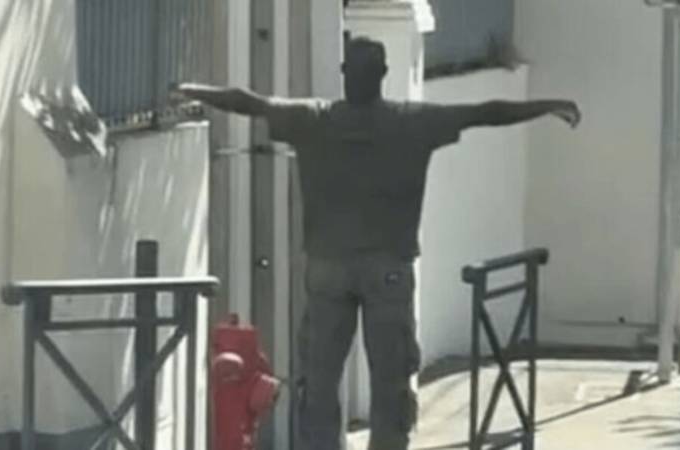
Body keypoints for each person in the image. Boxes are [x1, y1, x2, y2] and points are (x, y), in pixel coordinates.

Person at [178, 37, 580, 450]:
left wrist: (193, 91)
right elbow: (485, 113)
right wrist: (546, 106)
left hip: (328, 266)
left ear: (344, 74)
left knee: (319, 377)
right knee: (390, 377)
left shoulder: (314, 118)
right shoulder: (411, 121)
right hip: (388, 267)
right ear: (384, 75)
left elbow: (249, 102)